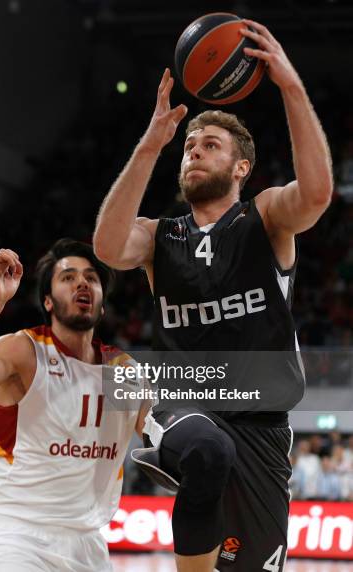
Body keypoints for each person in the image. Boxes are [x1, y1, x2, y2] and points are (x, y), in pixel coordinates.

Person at [93, 19, 332, 572]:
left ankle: (184, 464)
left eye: (211, 145)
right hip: (184, 395)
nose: (194, 153)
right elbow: (107, 246)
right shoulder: (160, 235)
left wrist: (291, 87)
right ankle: (168, 446)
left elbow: (317, 194)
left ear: (241, 167)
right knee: (205, 448)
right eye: (190, 147)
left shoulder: (266, 216)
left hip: (263, 426)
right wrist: (152, 145)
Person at [0, 239, 152, 572]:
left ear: (102, 304)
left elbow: (165, 439)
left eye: (91, 278)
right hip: (16, 535)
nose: (82, 282)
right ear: (49, 302)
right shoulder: (21, 350)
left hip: (88, 542)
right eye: (68, 277)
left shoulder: (126, 371)